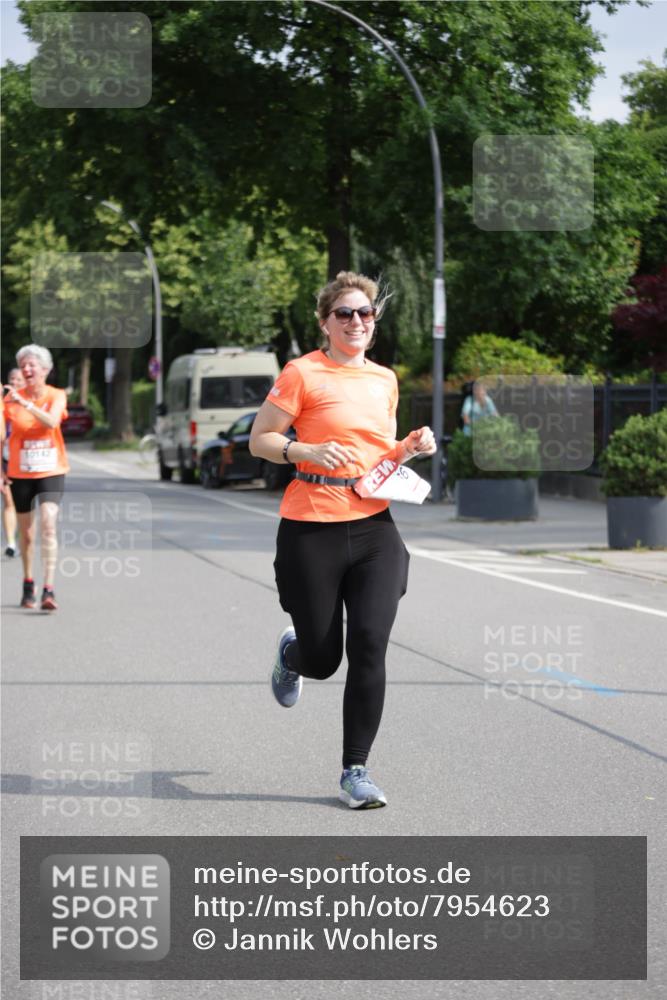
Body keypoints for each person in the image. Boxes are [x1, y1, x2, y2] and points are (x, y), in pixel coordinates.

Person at [249, 271, 436, 809]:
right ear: (326, 322)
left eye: (366, 314)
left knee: (371, 645)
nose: (357, 321)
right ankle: (294, 652)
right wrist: (301, 452)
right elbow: (261, 439)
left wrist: (408, 447)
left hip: (375, 528)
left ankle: (356, 770)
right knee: (325, 658)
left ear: (374, 323)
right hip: (311, 525)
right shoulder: (301, 373)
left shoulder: (384, 379)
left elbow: (377, 456)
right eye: (345, 314)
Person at [2, 344, 69, 611]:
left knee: (49, 524)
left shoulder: (56, 395)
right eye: (24, 365)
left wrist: (25, 403)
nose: (27, 370)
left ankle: (48, 589)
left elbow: (52, 422)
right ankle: (28, 582)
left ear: (46, 369)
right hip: (20, 471)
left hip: (51, 470)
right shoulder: (8, 399)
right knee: (27, 534)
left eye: (32, 365)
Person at [2, 368, 26, 557]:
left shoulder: (29, 403)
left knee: (23, 503)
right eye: (12, 379)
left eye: (19, 379)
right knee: (8, 500)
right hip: (5, 457)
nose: (15, 382)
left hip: (26, 460)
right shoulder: (3, 402)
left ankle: (22, 534)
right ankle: (11, 543)